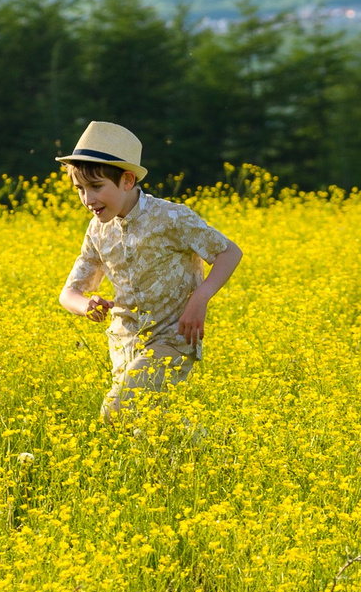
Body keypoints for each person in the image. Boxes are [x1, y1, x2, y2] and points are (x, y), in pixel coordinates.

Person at [55, 121, 243, 419]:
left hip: (172, 338)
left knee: (115, 411)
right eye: (80, 189)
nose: (88, 200)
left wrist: (199, 299)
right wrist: (85, 305)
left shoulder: (171, 217)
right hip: (124, 345)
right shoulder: (97, 230)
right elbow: (70, 292)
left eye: (96, 187)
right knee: (146, 427)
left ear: (127, 180)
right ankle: (208, 452)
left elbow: (229, 252)